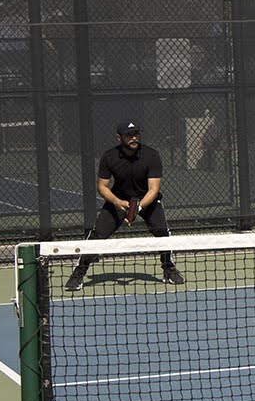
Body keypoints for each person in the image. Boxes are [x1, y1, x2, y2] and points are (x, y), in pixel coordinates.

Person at [64, 121, 184, 291]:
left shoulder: (151, 155)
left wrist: (137, 208)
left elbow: (153, 189)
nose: (133, 138)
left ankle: (169, 268)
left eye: (136, 134)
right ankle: (78, 273)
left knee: (162, 232)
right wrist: (117, 202)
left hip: (147, 200)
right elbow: (102, 187)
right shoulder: (109, 157)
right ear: (119, 138)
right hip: (118, 199)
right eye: (129, 135)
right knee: (98, 235)